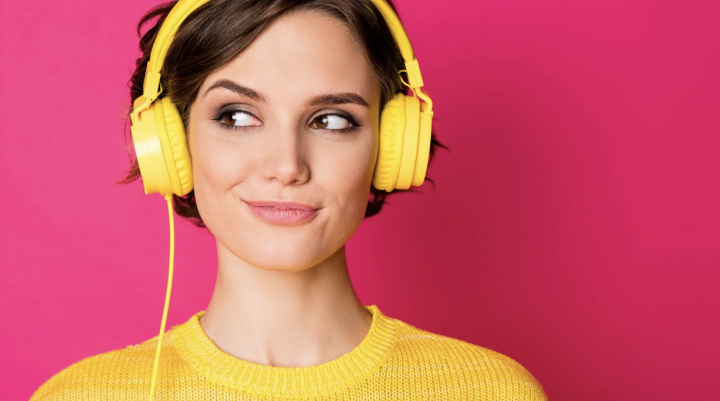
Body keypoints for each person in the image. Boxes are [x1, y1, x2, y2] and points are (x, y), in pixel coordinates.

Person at [30, 0, 549, 400]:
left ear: (393, 147)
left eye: (331, 120)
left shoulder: (488, 391)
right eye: (236, 116)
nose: (286, 165)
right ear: (172, 142)